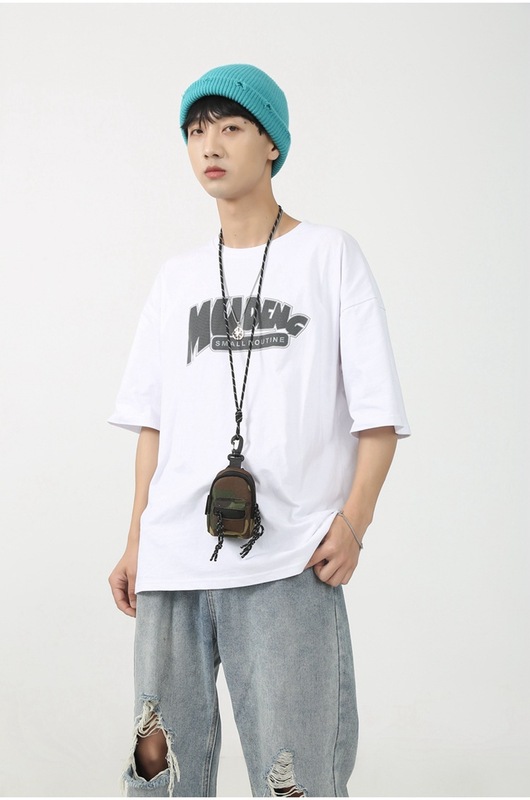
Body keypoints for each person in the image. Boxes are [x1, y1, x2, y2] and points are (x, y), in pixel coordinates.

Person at [108, 63, 410, 798]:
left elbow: (377, 413)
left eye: (231, 127)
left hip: (287, 559)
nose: (209, 145)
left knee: (294, 775)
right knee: (159, 766)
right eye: (195, 131)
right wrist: (137, 539)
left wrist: (355, 522)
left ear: (272, 142)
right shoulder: (177, 278)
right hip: (175, 560)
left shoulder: (329, 256)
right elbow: (153, 425)